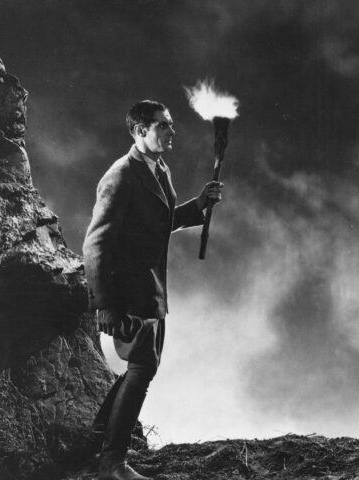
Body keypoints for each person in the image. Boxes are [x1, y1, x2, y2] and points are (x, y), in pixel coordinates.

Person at [83, 100, 223, 480]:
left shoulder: (159, 169)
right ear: (139, 130)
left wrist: (199, 205)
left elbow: (159, 222)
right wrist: (104, 304)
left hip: (151, 290)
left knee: (143, 367)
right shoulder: (121, 175)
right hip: (128, 292)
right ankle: (112, 463)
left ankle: (95, 443)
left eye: (171, 125)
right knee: (143, 367)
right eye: (163, 125)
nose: (171, 132)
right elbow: (96, 244)